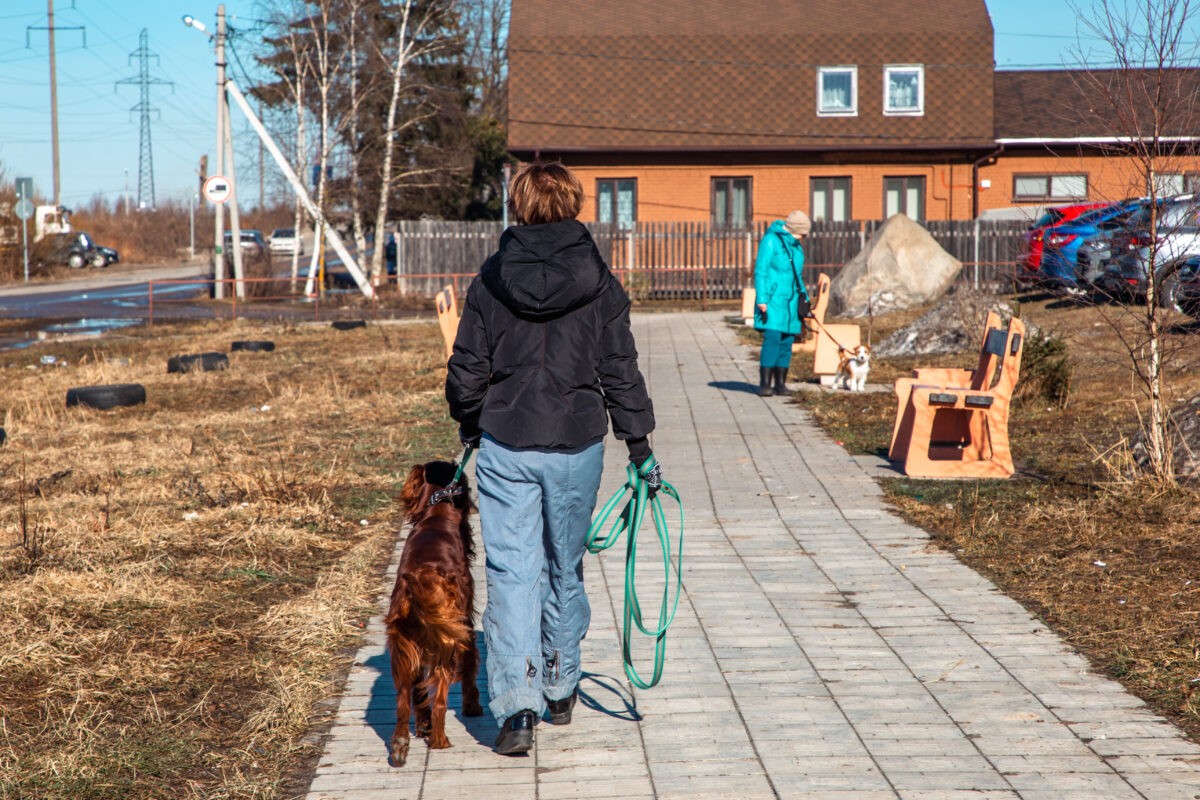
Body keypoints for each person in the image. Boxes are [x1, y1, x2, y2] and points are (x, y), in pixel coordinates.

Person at [445, 162, 660, 756]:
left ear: (519, 205)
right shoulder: (600, 280)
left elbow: (466, 369)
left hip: (507, 443)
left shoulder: (491, 279)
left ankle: (517, 707)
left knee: (513, 575)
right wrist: (639, 445)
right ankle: (561, 687)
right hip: (575, 446)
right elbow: (620, 368)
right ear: (572, 202)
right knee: (563, 566)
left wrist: (471, 421)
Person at [753, 209, 812, 396]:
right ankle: (765, 384)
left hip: (792, 301)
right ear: (796, 229)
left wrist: (805, 298)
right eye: (804, 232)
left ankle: (780, 383)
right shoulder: (771, 241)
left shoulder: (796, 246)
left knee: (787, 341)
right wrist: (762, 299)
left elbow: (798, 275)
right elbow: (760, 271)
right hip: (773, 299)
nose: (805, 236)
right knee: (773, 339)